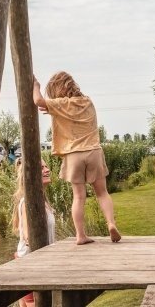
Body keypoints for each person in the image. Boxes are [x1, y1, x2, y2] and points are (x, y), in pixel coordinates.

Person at [33, 71, 121, 245]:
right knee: (102, 193)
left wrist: (36, 87)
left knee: (79, 196)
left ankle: (81, 236)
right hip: (94, 152)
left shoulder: (62, 104)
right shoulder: (87, 102)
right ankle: (111, 223)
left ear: (58, 89)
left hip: (74, 155)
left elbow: (38, 101)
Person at [12, 158, 56, 307]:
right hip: (30, 265)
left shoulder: (42, 200)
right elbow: (27, 236)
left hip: (40, 264)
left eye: (46, 166)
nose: (47, 170)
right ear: (30, 175)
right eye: (41, 168)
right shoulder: (28, 202)